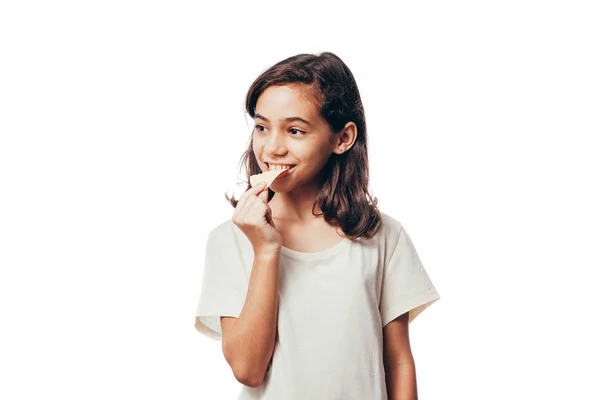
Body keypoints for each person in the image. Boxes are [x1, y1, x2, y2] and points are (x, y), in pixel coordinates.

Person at [194, 52, 440, 399]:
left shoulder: (382, 235)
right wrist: (266, 250)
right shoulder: (230, 240)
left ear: (343, 138)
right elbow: (247, 370)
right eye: (262, 127)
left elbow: (398, 361)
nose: (273, 147)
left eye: (294, 130)